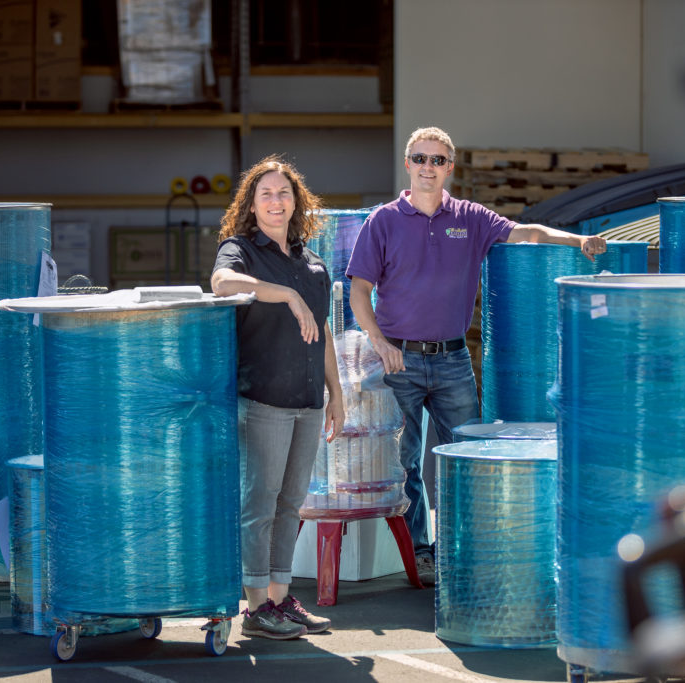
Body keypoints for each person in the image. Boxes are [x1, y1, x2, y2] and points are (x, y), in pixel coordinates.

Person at [346, 127, 607, 585]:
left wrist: (575, 241)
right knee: (404, 464)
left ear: (450, 168)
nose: (429, 167)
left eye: (439, 160)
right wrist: (379, 344)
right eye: (421, 158)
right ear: (408, 164)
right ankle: (421, 555)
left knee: (468, 456)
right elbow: (359, 291)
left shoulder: (469, 218)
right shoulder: (383, 222)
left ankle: (460, 551)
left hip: (451, 362)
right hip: (397, 362)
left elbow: (525, 232)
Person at [212, 155, 345, 639]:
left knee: (291, 504)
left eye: (283, 193)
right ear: (251, 204)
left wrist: (337, 394)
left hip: (308, 402)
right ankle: (254, 609)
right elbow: (221, 283)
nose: (275, 201)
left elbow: (325, 333)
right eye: (265, 193)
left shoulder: (313, 264)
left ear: (297, 201)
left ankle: (280, 599)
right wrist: (285, 296)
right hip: (263, 399)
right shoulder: (240, 250)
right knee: (260, 505)